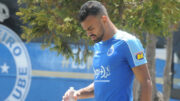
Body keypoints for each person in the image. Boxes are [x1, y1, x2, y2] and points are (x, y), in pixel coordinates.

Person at [62, 1, 152, 101]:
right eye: (86, 30)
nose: (88, 34)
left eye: (91, 28)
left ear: (104, 19)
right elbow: (102, 84)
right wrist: (77, 94)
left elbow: (146, 82)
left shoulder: (128, 42)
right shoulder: (98, 46)